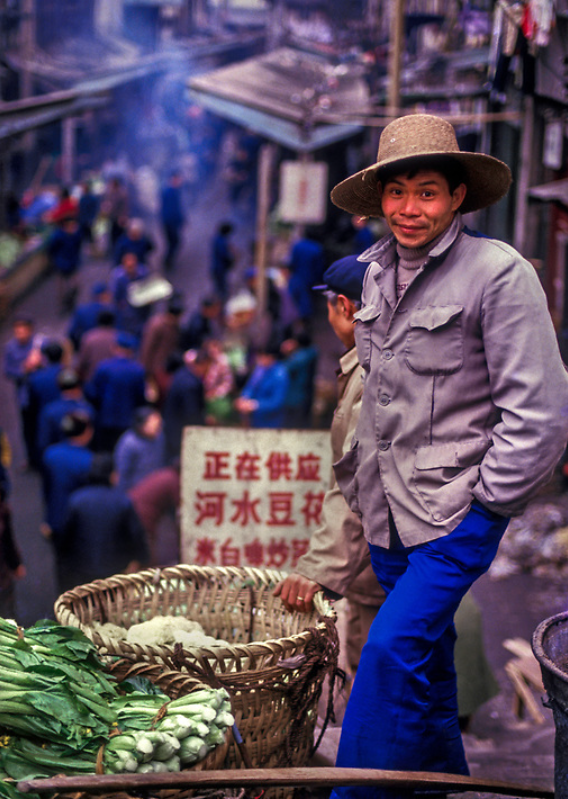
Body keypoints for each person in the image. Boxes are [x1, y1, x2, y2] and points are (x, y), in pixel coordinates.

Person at [326, 112, 568, 796]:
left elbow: (543, 412)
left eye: (427, 192)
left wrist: (488, 506)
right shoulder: (374, 273)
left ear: (458, 196)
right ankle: (443, 786)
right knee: (427, 670)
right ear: (380, 200)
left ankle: (351, 792)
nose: (410, 209)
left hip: (456, 514)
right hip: (388, 518)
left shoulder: (499, 275)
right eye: (397, 193)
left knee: (388, 652)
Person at [274, 255, 385, 677]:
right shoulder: (370, 361)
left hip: (381, 568)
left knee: (374, 676)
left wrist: (320, 567)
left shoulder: (373, 374)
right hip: (375, 569)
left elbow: (363, 480)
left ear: (345, 307)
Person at [57, 452, 149, 593]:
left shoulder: (76, 499)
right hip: (114, 572)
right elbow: (136, 535)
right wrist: (141, 559)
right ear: (112, 475)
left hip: (81, 570)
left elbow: (64, 536)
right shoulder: (122, 501)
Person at [85, 331, 147, 453]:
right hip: (127, 420)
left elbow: (93, 393)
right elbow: (140, 397)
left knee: (105, 451)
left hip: (104, 419)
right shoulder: (138, 370)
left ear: (115, 347)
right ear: (131, 351)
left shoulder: (103, 367)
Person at [162, 349, 208, 463]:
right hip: (180, 432)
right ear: (203, 364)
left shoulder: (182, 373)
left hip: (170, 426)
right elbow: (192, 414)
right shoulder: (190, 384)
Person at [234, 341, 290, 429]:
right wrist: (244, 398)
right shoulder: (260, 368)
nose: (258, 359)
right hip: (255, 419)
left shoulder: (280, 375)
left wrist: (255, 405)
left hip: (271, 421)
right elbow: (251, 386)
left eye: (261, 356)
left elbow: (277, 402)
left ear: (270, 357)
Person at [113, 406, 166, 493]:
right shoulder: (129, 442)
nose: (159, 428)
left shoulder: (160, 438)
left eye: (160, 425)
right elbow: (122, 474)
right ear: (141, 426)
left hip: (155, 489)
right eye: (156, 426)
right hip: (135, 491)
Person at [160, 170, 185, 272]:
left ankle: (168, 261)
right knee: (174, 242)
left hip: (171, 221)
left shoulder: (174, 191)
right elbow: (171, 209)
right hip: (169, 222)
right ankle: (167, 262)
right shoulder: (169, 192)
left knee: (173, 242)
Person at [210, 221, 235, 301]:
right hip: (219, 268)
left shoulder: (218, 239)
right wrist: (230, 260)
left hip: (217, 267)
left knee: (219, 286)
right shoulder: (221, 241)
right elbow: (223, 254)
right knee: (221, 288)